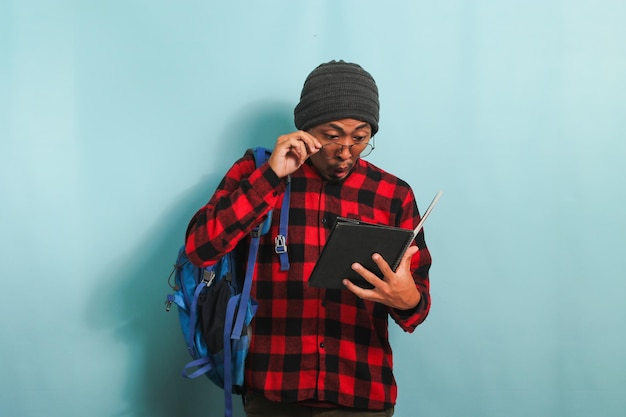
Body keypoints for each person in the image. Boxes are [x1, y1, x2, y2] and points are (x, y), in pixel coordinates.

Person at [185, 60, 432, 417]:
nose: (346, 150)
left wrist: (406, 299)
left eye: (360, 137)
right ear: (305, 128)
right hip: (273, 391)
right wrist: (270, 178)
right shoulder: (255, 173)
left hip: (360, 392)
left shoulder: (393, 195)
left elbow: (418, 308)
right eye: (332, 136)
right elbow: (200, 249)